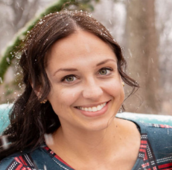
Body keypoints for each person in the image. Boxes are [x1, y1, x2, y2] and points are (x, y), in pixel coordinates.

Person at [0, 10, 172, 170]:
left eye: (104, 71)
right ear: (39, 88)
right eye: (69, 78)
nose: (94, 92)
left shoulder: (168, 147)